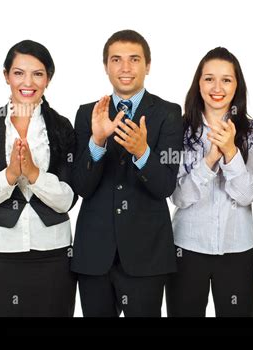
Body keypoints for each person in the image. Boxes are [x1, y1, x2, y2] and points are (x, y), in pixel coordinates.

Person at [70, 30, 183, 317]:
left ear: (148, 65)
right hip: (95, 254)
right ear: (106, 66)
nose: (125, 67)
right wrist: (97, 143)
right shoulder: (88, 114)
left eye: (134, 59)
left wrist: (142, 152)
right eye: (116, 60)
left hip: (147, 255)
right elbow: (81, 187)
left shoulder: (168, 113)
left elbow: (166, 186)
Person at [0, 40, 78, 317]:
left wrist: (34, 174)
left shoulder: (61, 126)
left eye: (38, 73)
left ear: (48, 79)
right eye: (18, 73)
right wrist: (10, 175)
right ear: (6, 75)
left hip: (54, 254)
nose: (28, 82)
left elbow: (67, 200)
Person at [166, 47, 253, 317]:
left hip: (238, 249)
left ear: (237, 86)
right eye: (209, 78)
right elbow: (178, 197)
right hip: (186, 247)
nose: (217, 87)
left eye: (227, 79)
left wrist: (231, 153)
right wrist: (210, 159)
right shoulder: (178, 130)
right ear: (198, 83)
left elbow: (247, 195)